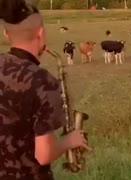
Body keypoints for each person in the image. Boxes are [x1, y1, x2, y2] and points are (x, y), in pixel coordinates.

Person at [0, 0, 91, 179]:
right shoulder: (43, 82)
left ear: (5, 34)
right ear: (41, 34)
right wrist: (69, 141)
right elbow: (43, 155)